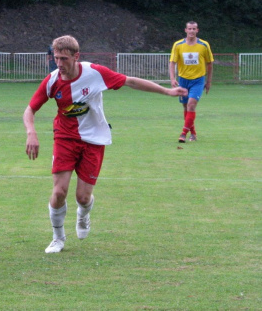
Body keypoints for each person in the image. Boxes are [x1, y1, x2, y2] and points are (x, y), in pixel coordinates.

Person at [23, 35, 187, 254]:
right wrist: (31, 132)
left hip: (94, 140)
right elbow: (30, 109)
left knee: (83, 197)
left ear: (76, 56)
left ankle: (83, 214)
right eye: (56, 58)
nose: (59, 64)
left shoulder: (95, 73)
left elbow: (130, 81)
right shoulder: (52, 80)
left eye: (64, 59)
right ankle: (58, 238)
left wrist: (166, 91)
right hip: (64, 138)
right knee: (59, 191)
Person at [169, 21, 214, 143]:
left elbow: (210, 63)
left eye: (194, 29)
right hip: (183, 80)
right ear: (186, 30)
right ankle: (193, 133)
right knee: (186, 107)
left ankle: (183, 133)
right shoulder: (178, 45)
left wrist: (209, 81)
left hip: (198, 80)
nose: (192, 31)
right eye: (190, 29)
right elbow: (172, 62)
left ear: (197, 30)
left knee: (191, 105)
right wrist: (173, 79)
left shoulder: (204, 45)